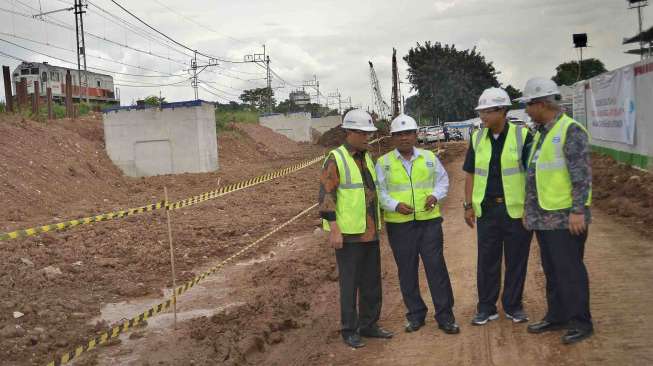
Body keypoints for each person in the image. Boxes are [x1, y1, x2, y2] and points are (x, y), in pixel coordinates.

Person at [517, 77, 593, 344]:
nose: (526, 110)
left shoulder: (571, 130)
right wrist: (530, 210)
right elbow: (534, 175)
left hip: (564, 218)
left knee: (570, 270)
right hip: (544, 217)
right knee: (551, 269)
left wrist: (578, 210)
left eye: (528, 105)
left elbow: (581, 175)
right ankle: (557, 315)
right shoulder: (542, 132)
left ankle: (581, 322)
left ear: (540, 104)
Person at [376, 114, 459, 335]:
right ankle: (415, 315)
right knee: (407, 271)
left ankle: (445, 316)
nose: (404, 138)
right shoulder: (383, 163)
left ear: (416, 135)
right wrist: (394, 205)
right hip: (400, 226)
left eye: (408, 133)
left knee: (436, 268)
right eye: (399, 134)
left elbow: (443, 181)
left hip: (429, 222)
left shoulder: (429, 158)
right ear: (393, 138)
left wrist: (435, 195)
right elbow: (380, 192)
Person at [318, 109, 393, 348]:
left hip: (370, 232)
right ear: (349, 132)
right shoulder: (336, 158)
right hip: (349, 234)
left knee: (371, 282)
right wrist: (334, 228)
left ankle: (369, 325)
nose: (366, 137)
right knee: (350, 285)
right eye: (362, 133)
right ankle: (349, 330)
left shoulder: (366, 157)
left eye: (368, 133)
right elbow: (326, 195)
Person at [463, 87, 534, 326]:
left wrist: (530, 207)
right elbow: (470, 173)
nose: (482, 116)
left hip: (516, 211)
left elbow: (533, 175)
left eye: (487, 111)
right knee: (487, 261)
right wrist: (468, 205)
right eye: (480, 111)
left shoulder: (522, 136)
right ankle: (486, 307)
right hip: (487, 211)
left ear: (502, 110)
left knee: (516, 260)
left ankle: (514, 306)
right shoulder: (476, 138)